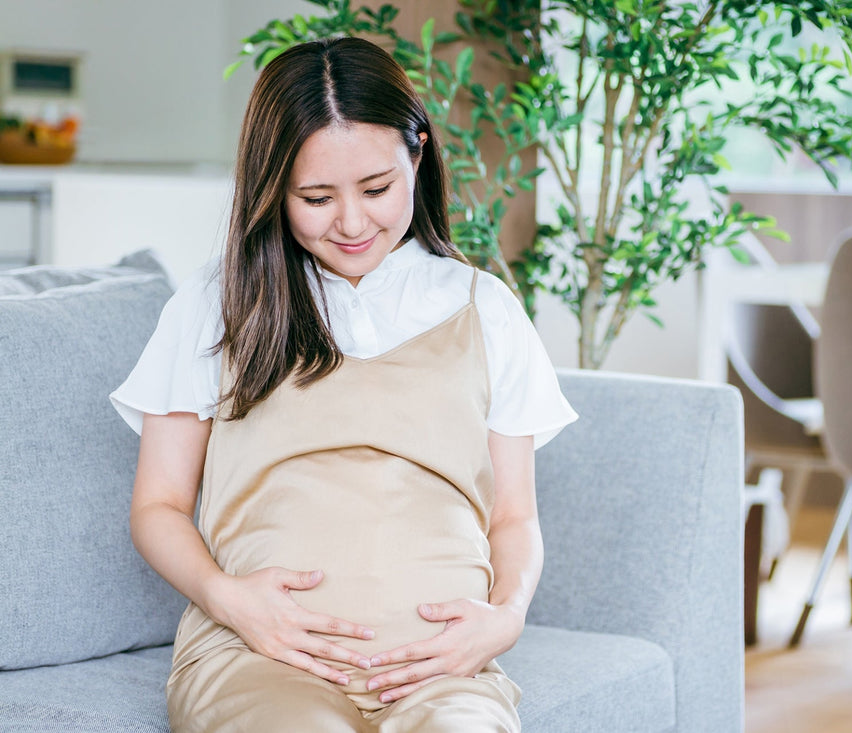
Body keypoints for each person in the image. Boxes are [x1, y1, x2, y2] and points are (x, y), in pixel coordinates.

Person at [110, 36, 577, 732]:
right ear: (272, 188)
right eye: (317, 197)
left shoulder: (485, 310)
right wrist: (231, 600)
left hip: (440, 672)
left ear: (417, 153)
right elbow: (158, 506)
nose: (353, 222)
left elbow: (514, 517)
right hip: (258, 660)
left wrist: (504, 620)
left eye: (378, 188)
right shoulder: (220, 304)